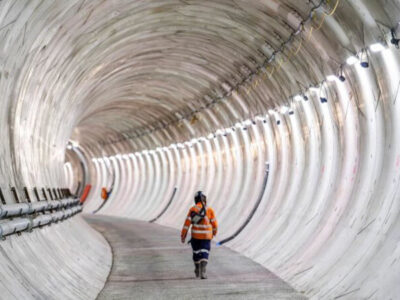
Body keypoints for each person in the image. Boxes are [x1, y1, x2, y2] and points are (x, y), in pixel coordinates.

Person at [181, 191, 218, 279]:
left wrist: (183, 235)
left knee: (196, 253)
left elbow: (187, 224)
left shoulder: (193, 209)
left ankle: (197, 268)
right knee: (205, 252)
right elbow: (215, 224)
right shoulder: (209, 210)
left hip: (196, 237)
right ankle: (203, 270)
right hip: (206, 237)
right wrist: (214, 232)